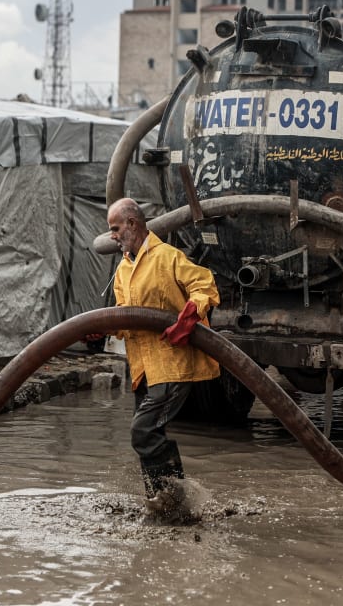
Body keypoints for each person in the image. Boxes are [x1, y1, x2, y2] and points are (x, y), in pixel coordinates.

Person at [107, 197, 221, 511]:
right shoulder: (123, 270)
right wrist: (101, 328)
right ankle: (163, 502)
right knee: (147, 435)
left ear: (132, 223)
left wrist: (188, 318)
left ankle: (173, 499)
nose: (113, 236)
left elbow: (205, 285)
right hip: (142, 369)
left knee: (142, 431)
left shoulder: (167, 257)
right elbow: (124, 318)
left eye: (115, 228)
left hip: (171, 364)